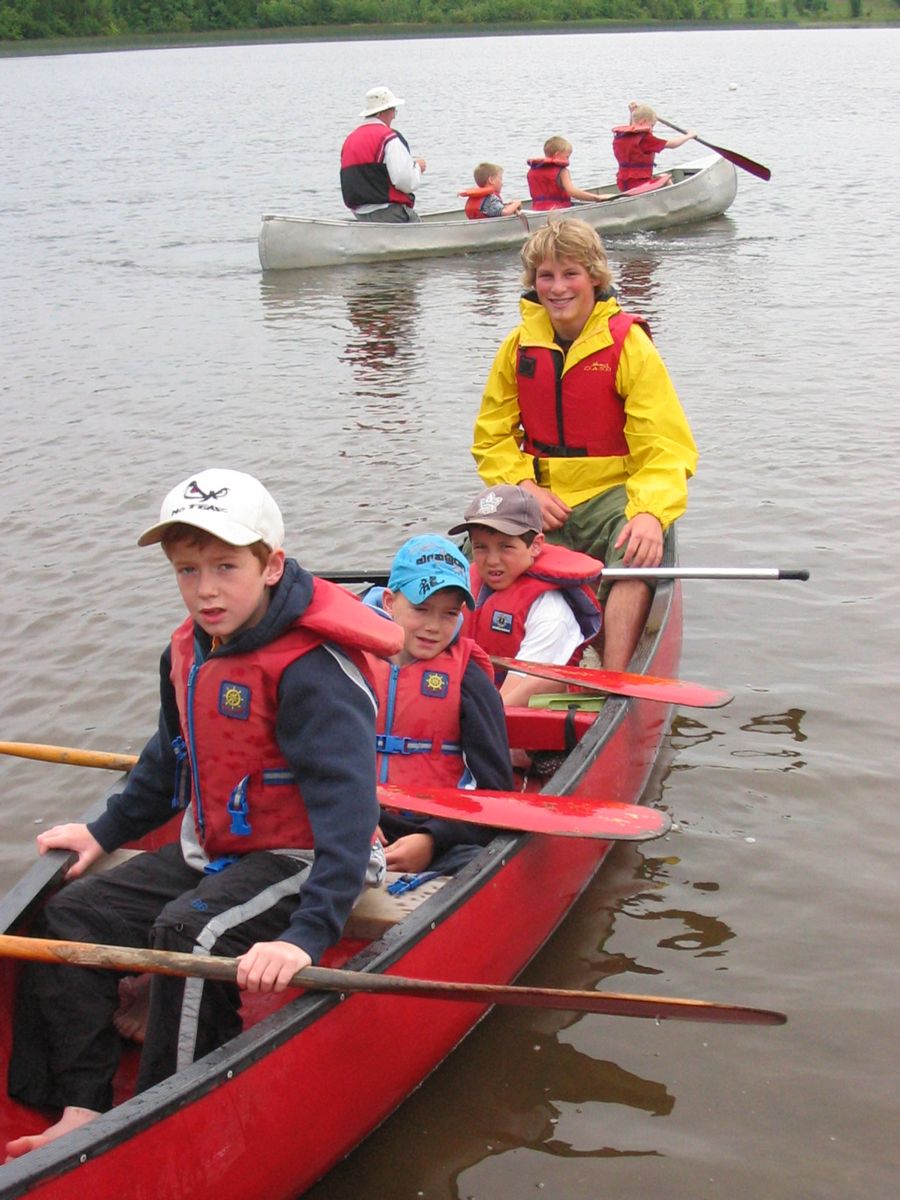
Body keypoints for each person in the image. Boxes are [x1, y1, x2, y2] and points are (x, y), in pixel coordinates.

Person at [5, 468, 403, 1159]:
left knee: (189, 933)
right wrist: (102, 833)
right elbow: (168, 762)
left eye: (226, 567)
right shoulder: (187, 650)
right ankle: (79, 1106)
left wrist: (306, 937)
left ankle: (165, 1117)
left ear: (271, 565)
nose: (206, 588)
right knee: (72, 916)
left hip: (307, 857)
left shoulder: (312, 669)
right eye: (188, 570)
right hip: (212, 846)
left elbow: (347, 814)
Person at [470, 219, 698, 673]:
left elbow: (665, 445)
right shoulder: (518, 347)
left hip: (613, 493)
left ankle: (612, 684)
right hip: (541, 497)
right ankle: (481, 671)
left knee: (636, 549)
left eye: (570, 274)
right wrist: (523, 486)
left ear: (595, 276)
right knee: (486, 551)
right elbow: (491, 436)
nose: (557, 289)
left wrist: (651, 512)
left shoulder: (628, 344)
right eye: (546, 276)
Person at [363, 535, 513, 876]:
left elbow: (497, 795)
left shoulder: (467, 678)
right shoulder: (345, 665)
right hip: (354, 824)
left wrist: (433, 840)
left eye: (449, 614)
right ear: (388, 602)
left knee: (477, 863)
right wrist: (350, 818)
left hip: (438, 831)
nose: (434, 627)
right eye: (421, 609)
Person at [448, 485, 602, 709]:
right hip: (472, 693)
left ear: (536, 545)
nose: (492, 560)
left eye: (506, 547)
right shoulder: (459, 588)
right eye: (481, 547)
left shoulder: (551, 611)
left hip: (521, 709)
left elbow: (518, 691)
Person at [340, 85, 426, 223]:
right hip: (390, 214)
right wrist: (417, 168)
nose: (393, 116)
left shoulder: (350, 140)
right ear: (381, 112)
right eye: (393, 110)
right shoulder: (388, 137)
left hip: (361, 216)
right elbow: (405, 181)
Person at [612, 103, 697, 193]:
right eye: (652, 125)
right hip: (639, 184)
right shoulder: (645, 139)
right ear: (644, 122)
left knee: (659, 177)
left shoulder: (622, 135)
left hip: (623, 184)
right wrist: (689, 136)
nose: (652, 129)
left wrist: (632, 113)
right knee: (665, 178)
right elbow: (672, 144)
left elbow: (633, 127)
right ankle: (676, 199)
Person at [526, 136, 610, 210]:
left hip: (537, 210)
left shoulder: (532, 171)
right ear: (557, 154)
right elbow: (572, 192)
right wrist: (597, 198)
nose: (568, 160)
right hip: (558, 211)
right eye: (567, 156)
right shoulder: (562, 171)